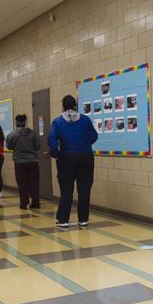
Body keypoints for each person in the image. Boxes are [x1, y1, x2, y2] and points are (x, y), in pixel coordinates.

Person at [47, 95, 98, 230]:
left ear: (63, 107)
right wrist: (84, 144)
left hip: (66, 158)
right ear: (75, 105)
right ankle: (83, 220)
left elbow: (51, 140)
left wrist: (56, 154)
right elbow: (94, 136)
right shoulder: (85, 119)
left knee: (66, 190)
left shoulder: (57, 122)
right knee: (84, 190)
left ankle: (63, 220)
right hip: (86, 157)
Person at [6, 114, 41, 209]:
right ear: (25, 122)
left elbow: (9, 146)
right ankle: (36, 202)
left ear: (16, 122)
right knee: (34, 182)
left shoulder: (12, 134)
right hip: (33, 161)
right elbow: (38, 146)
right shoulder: (32, 133)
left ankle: (23, 203)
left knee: (22, 183)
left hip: (19, 162)